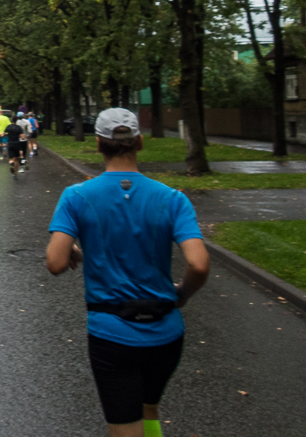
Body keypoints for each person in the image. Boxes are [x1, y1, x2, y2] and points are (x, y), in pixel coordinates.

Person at [46, 108, 211, 437]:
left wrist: (76, 248)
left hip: (112, 335)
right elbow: (199, 263)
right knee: (148, 408)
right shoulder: (173, 199)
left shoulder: (76, 197)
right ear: (139, 142)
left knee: (126, 426)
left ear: (97, 144)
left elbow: (55, 262)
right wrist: (183, 294)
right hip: (166, 333)